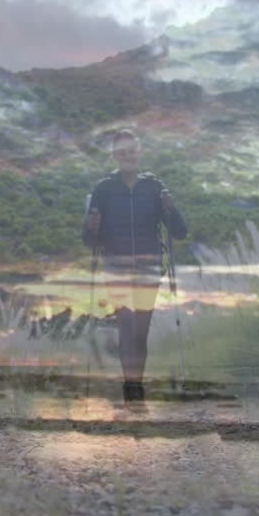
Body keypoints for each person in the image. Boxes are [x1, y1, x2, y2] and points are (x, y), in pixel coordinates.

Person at [82, 129, 187, 400]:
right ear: (115, 156)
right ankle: (132, 389)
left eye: (132, 151)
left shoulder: (155, 187)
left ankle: (135, 383)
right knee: (126, 325)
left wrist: (170, 208)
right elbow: (89, 241)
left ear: (139, 152)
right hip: (116, 266)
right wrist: (91, 227)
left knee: (140, 332)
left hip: (148, 267)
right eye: (122, 152)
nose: (127, 156)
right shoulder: (103, 189)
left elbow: (179, 231)